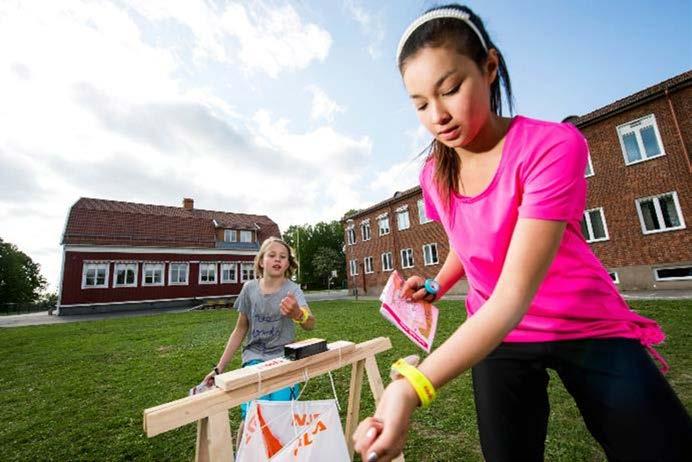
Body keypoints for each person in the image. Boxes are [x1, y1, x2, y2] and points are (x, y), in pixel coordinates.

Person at [353, 4, 691, 462]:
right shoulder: (435, 173)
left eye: (450, 89)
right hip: (499, 337)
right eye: (420, 104)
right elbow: (465, 239)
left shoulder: (552, 146)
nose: (438, 115)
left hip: (582, 321)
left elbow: (512, 298)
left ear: (489, 67)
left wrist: (410, 389)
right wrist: (437, 284)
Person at [202, 236, 315, 426]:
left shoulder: (293, 290)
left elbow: (310, 323)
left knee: (280, 415)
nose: (278, 259)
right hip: (254, 358)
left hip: (284, 358)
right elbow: (240, 329)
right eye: (272, 255)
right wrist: (219, 368)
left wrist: (297, 313)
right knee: (253, 417)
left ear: (288, 264)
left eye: (283, 256)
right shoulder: (249, 289)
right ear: (261, 261)